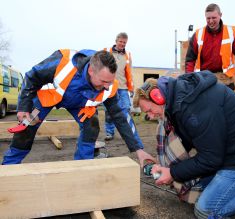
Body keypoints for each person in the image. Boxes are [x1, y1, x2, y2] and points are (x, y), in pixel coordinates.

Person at [133, 71, 235, 218]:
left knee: (206, 210)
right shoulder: (179, 101)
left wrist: (173, 172)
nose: (151, 116)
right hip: (231, 152)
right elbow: (189, 139)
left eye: (149, 110)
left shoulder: (194, 109)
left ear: (158, 97)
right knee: (197, 189)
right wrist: (164, 165)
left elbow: (211, 158)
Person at [2, 49, 154, 166]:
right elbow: (31, 77)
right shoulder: (62, 63)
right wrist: (23, 107)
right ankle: (9, 167)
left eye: (110, 81)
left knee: (92, 125)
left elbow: (121, 116)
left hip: (80, 103)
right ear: (90, 71)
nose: (107, 87)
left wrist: (137, 149)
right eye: (103, 81)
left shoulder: (109, 85)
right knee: (27, 126)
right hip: (48, 97)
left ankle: (82, 167)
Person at [185, 3, 235, 90]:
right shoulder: (198, 35)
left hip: (226, 80)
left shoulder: (232, 32)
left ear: (220, 15)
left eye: (214, 18)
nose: (211, 21)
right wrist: (189, 77)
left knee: (227, 103)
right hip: (204, 80)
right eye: (208, 18)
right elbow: (190, 59)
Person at [103, 32, 138, 142]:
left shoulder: (127, 55)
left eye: (124, 42)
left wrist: (131, 88)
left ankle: (127, 133)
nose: (122, 44)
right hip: (109, 86)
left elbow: (129, 72)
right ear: (116, 41)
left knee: (126, 109)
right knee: (109, 111)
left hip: (123, 87)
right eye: (121, 41)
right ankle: (109, 133)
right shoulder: (106, 51)